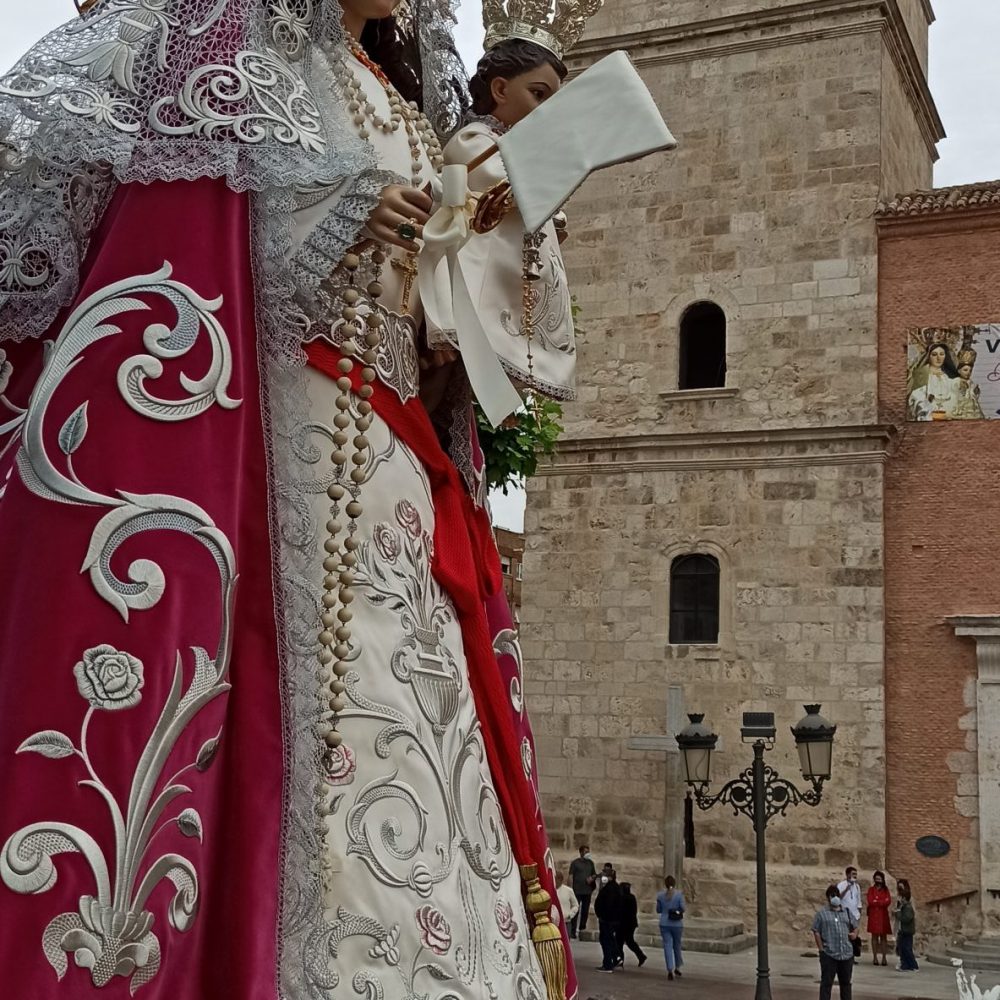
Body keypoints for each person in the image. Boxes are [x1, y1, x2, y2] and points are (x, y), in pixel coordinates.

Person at [0, 1, 584, 998]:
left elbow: (437, 302)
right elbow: (194, 236)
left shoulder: (408, 105)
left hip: (393, 459)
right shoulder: (227, 54)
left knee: (412, 712)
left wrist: (476, 257)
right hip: (286, 440)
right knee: (293, 708)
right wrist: (343, 218)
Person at [436, 37, 577, 402]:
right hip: (478, 283)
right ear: (500, 88)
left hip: (516, 286)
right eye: (538, 94)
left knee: (464, 390)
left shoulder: (518, 147)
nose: (546, 110)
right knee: (445, 377)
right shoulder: (476, 140)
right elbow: (499, 186)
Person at [812, 883, 858, 1000]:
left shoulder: (846, 912)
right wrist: (821, 949)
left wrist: (854, 934)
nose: (835, 897)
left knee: (846, 984)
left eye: (836, 895)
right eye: (832, 895)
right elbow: (816, 930)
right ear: (828, 897)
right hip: (829, 954)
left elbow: (855, 926)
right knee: (827, 983)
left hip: (846, 954)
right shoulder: (822, 914)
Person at [908, 343, 961, 419]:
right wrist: (934, 414)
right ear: (928, 356)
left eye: (942, 354)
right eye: (934, 354)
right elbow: (916, 399)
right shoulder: (922, 375)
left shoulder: (949, 377)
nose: (938, 358)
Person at [656, 875, 685, 980]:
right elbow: (683, 908)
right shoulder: (679, 895)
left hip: (664, 922)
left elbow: (658, 910)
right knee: (677, 945)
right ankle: (678, 967)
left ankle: (669, 969)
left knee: (667, 946)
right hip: (676, 923)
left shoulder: (660, 895)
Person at [594, 870, 623, 972]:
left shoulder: (610, 888)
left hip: (607, 919)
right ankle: (616, 957)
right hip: (612, 919)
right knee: (610, 940)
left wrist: (603, 915)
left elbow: (608, 904)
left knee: (606, 941)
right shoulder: (615, 887)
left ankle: (608, 965)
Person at [568, 844, 597, 936]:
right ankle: (573, 931)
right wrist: (570, 889)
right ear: (580, 852)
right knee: (575, 910)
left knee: (585, 911)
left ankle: (582, 929)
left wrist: (592, 878)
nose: (587, 853)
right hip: (577, 890)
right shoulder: (575, 863)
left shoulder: (590, 863)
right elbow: (571, 876)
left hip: (587, 891)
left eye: (588, 851)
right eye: (585, 851)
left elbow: (594, 874)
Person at [617, 882, 648, 968]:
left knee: (619, 942)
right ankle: (641, 955)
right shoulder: (632, 897)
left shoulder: (622, 898)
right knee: (630, 941)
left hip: (624, 924)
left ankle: (620, 960)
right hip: (631, 923)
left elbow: (621, 911)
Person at [866, 870, 892, 966]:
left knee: (884, 937)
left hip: (883, 916)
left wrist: (877, 901)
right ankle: (875, 957)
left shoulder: (886, 890)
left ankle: (884, 958)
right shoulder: (871, 890)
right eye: (876, 878)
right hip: (874, 915)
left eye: (879, 878)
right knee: (874, 937)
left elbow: (888, 901)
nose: (878, 880)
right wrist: (880, 902)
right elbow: (870, 901)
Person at [896, 879, 919, 971]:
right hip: (902, 930)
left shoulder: (908, 907)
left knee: (907, 949)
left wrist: (898, 913)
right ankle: (905, 965)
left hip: (907, 931)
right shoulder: (903, 906)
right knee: (902, 948)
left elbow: (905, 918)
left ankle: (913, 965)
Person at [837, 866, 863, 942]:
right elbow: (838, 898)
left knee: (854, 936)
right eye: (853, 874)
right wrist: (846, 889)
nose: (855, 876)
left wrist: (859, 914)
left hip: (855, 915)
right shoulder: (841, 885)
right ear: (848, 874)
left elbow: (859, 901)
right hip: (844, 914)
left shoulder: (857, 886)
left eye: (856, 874)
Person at [555, 870, 580, 936]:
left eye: (556, 879)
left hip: (565, 922)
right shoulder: (550, 890)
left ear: (561, 880)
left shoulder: (568, 891)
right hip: (553, 923)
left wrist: (570, 915)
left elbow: (575, 905)